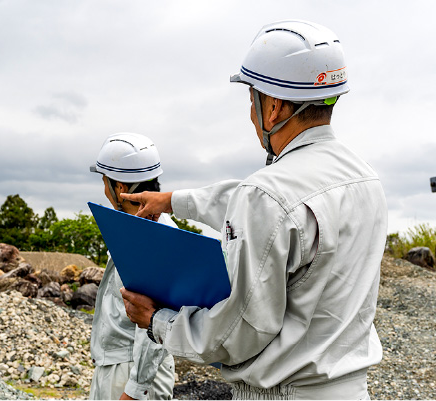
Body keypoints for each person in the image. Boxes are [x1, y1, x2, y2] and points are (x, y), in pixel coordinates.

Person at [120, 20, 387, 400]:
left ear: (273, 107)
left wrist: (157, 322)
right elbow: (271, 208)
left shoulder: (267, 194)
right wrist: (172, 200)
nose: (251, 112)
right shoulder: (365, 179)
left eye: (252, 100)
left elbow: (239, 331)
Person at [88, 132, 176, 400]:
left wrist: (135, 391)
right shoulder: (137, 229)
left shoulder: (150, 236)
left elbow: (155, 321)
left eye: (105, 181)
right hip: (120, 366)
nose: (104, 190)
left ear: (117, 186)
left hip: (131, 371)